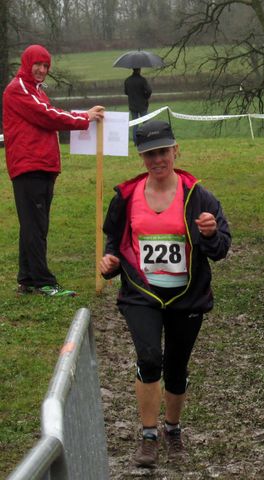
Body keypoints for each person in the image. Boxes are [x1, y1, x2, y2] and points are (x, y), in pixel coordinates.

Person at [99, 120, 231, 468]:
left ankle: (172, 427)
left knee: (176, 366)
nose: (157, 160)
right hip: (142, 294)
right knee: (149, 359)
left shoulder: (198, 196)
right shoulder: (126, 196)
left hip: (186, 296)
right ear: (141, 157)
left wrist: (210, 234)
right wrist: (110, 263)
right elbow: (115, 240)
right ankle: (148, 435)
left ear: (175, 151)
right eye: (149, 154)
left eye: (162, 152)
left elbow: (221, 249)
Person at [2, 44, 104, 297]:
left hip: (41, 166)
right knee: (36, 226)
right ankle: (43, 282)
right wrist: (84, 118)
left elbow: (48, 114)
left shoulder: (36, 91)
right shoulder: (18, 89)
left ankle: (27, 278)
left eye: (46, 65)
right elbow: (47, 116)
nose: (42, 69)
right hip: (30, 166)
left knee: (33, 225)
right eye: (38, 64)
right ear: (27, 63)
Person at [124, 68, 152, 144]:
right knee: (146, 123)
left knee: (135, 124)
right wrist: (145, 97)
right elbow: (149, 91)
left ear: (133, 69)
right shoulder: (142, 80)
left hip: (132, 106)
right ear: (139, 70)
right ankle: (147, 139)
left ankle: (136, 141)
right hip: (142, 105)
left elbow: (126, 92)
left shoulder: (127, 80)